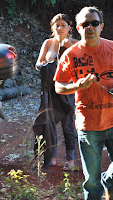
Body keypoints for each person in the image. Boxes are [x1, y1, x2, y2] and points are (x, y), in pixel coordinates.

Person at [54, 7, 113, 200]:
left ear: (101, 26)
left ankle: (110, 182)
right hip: (88, 124)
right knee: (91, 179)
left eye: (94, 23)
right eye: (85, 24)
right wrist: (77, 85)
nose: (90, 27)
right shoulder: (70, 55)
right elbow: (59, 86)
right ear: (78, 28)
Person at [33, 13, 78, 170]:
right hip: (50, 91)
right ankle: (50, 158)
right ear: (52, 28)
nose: (60, 28)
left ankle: (70, 160)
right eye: (57, 25)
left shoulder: (75, 44)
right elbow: (38, 63)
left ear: (69, 28)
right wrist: (45, 64)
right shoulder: (48, 43)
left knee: (67, 126)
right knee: (48, 124)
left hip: (67, 90)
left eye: (63, 25)